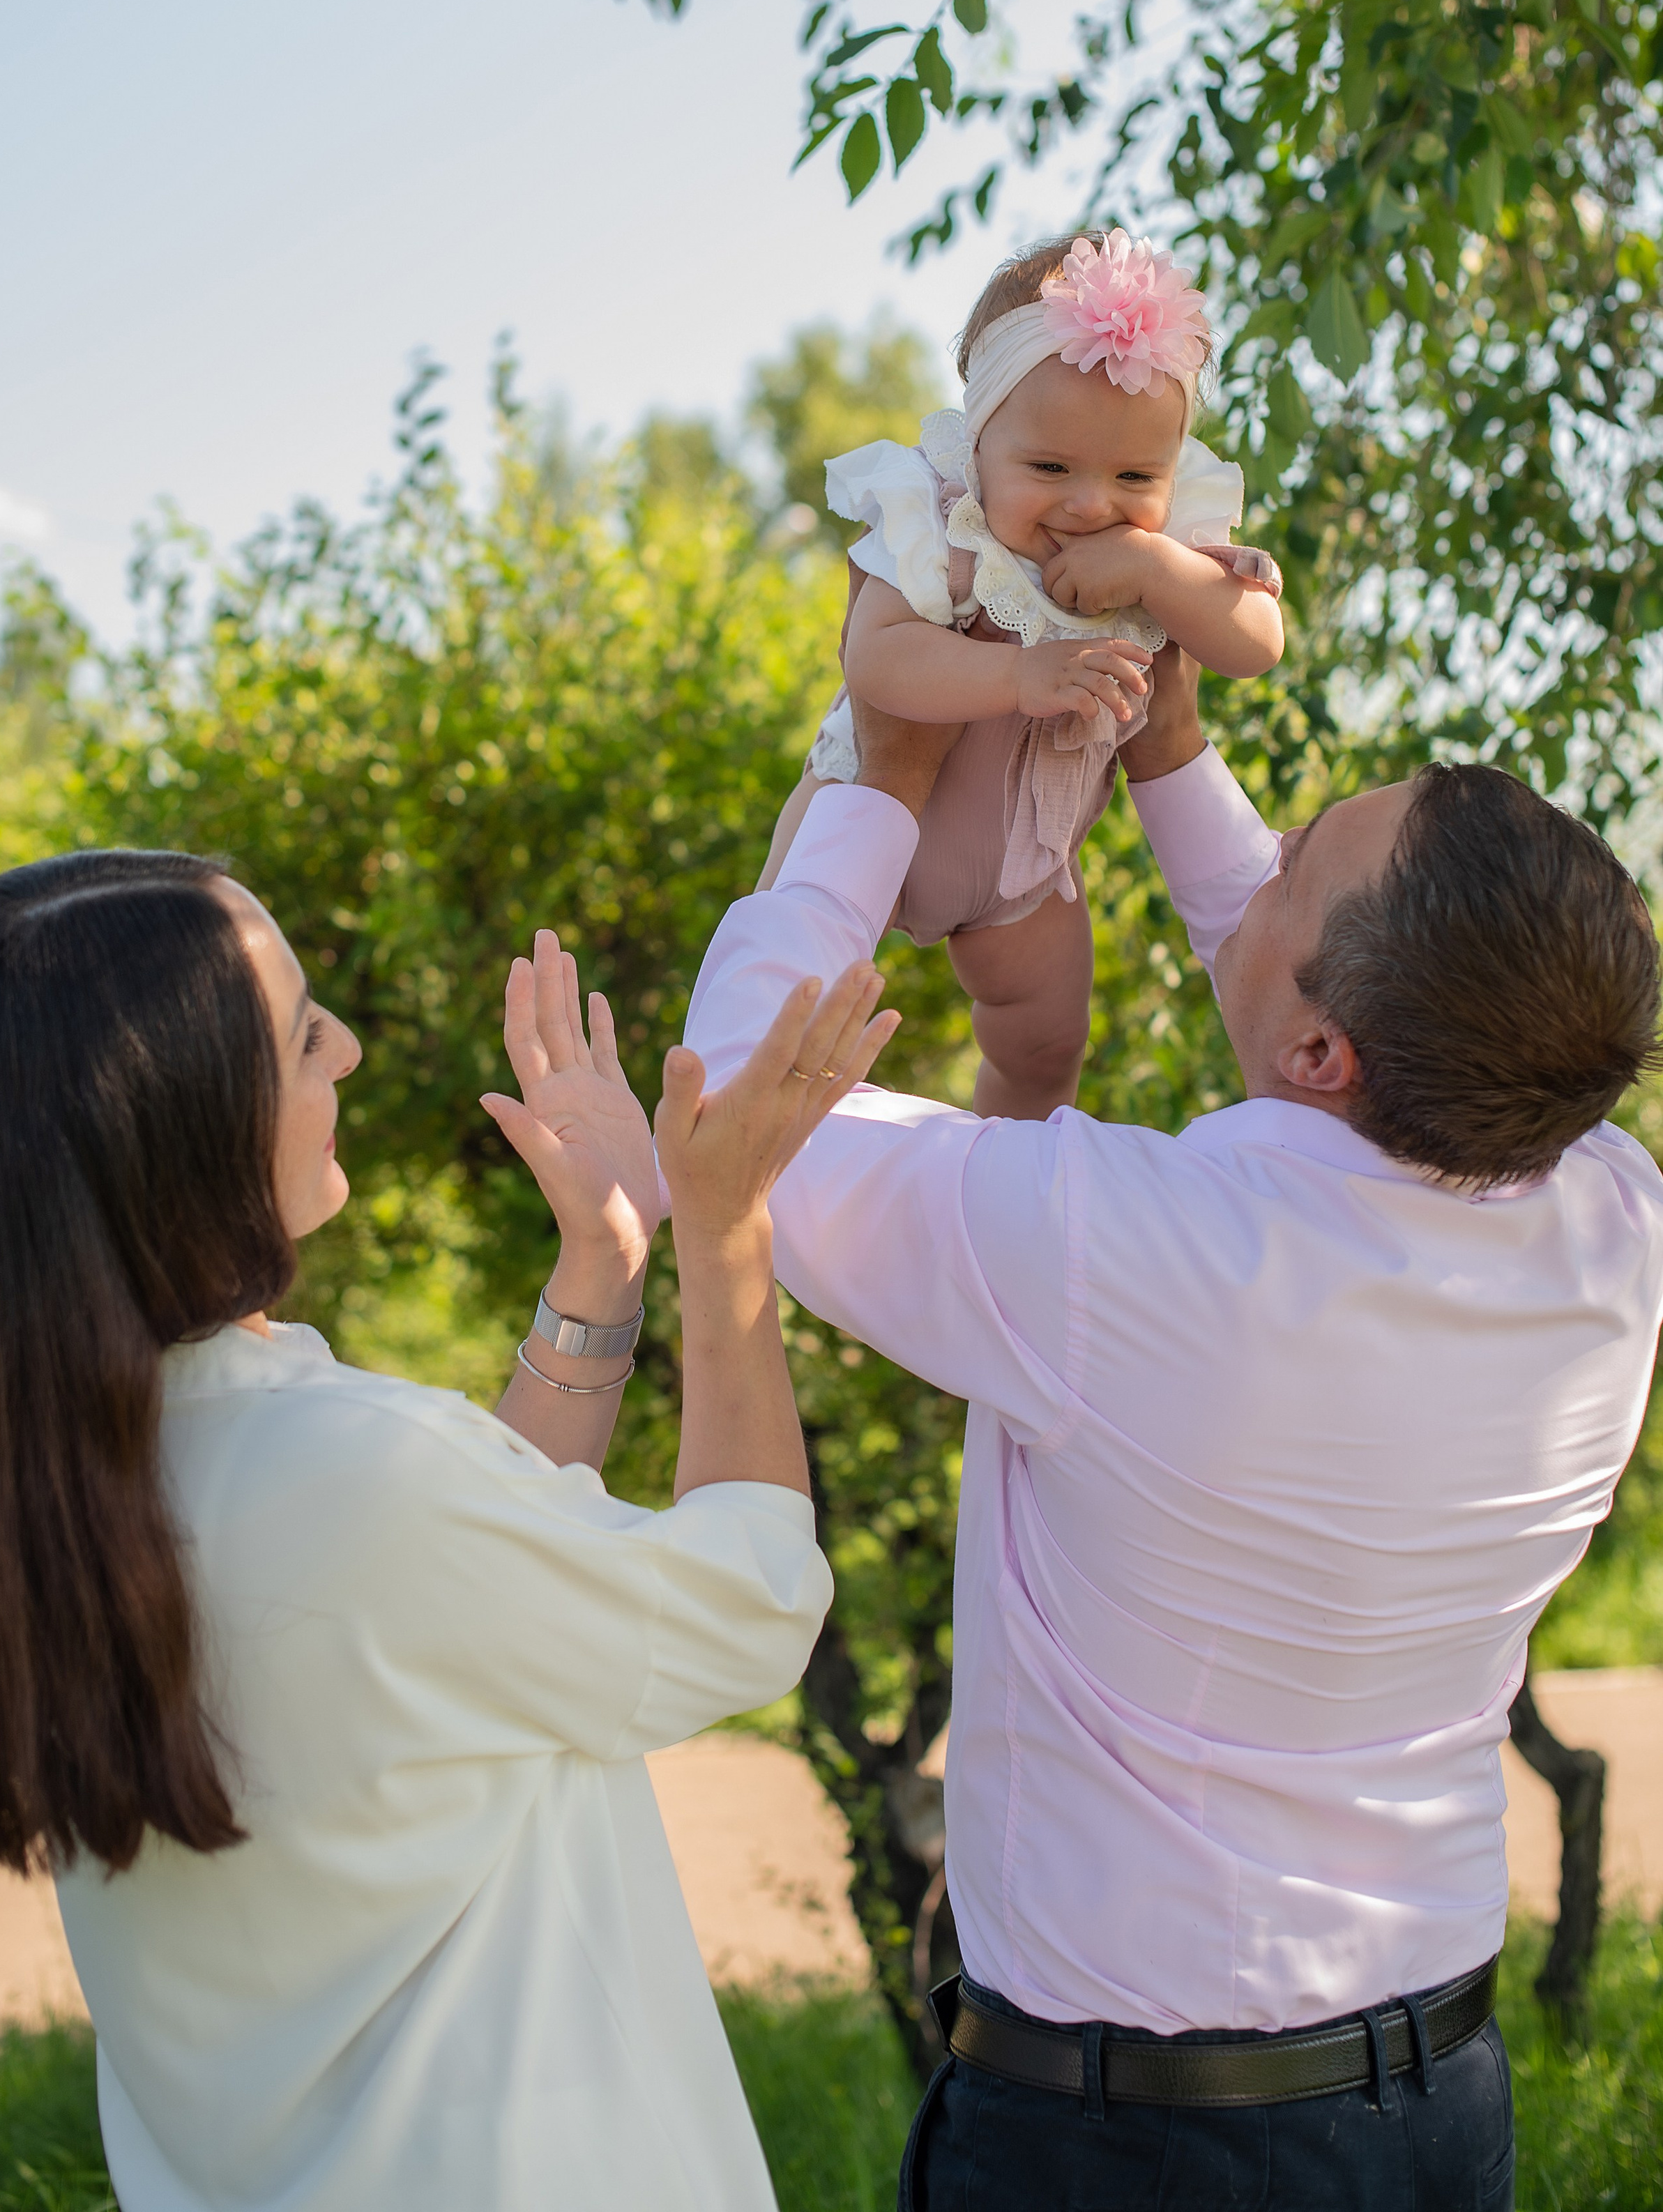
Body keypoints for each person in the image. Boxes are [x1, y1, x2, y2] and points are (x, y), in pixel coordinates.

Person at [686, 646, 1663, 2211]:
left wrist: (876, 776)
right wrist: (1170, 750)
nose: (1258, 856)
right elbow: (1326, 1009)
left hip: (1137, 2148)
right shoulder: (1608, 1212)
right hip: (1432, 2103)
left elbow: (733, 1110)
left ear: (1321, 1057)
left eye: (1294, 854)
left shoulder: (1128, 1256)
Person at [0, 849, 897, 2212]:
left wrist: (600, 1272)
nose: (346, 1049)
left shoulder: (48, 1487)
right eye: (302, 1032)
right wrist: (724, 1239)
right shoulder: (347, 1476)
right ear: (184, 1124)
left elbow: (447, 1613)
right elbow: (752, 1595)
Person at [761, 228, 1284, 1118]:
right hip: (864, 810)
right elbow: (875, 656)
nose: (1091, 502)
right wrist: (1016, 676)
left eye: (1133, 473)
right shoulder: (940, 519)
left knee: (1045, 1046)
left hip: (1023, 877)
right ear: (980, 444)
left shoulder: (1165, 547)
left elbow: (1256, 642)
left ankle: (1007, 1161)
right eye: (1049, 468)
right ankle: (734, 1160)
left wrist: (1162, 569)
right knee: (782, 1009)